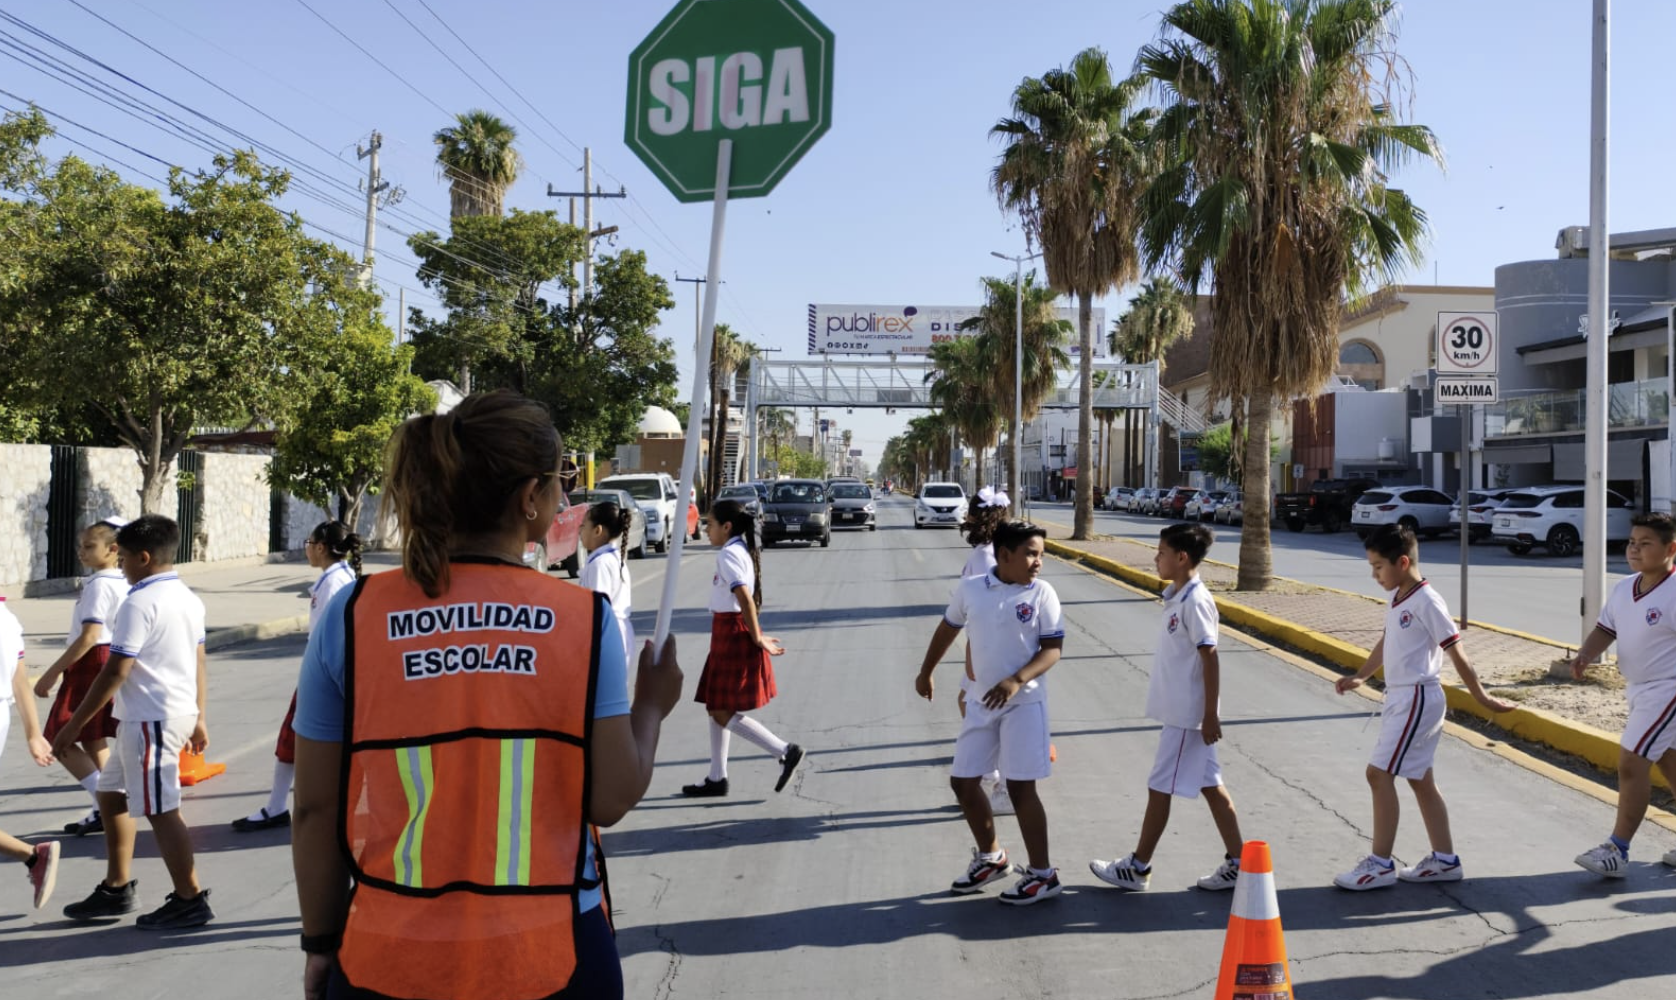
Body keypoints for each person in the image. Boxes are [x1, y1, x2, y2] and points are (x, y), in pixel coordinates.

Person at [290, 390, 683, 1000]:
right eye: (560, 483)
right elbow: (610, 798)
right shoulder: (583, 619)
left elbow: (314, 810)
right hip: (552, 948)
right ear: (530, 499)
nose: (566, 499)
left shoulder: (352, 613)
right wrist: (652, 708)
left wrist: (320, 944)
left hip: (386, 952)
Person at [1332, 524, 1516, 890]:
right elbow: (1389, 640)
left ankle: (1381, 865)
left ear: (1403, 561)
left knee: (1378, 774)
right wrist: (1362, 676)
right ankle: (1445, 860)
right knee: (1420, 779)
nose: (1374, 575)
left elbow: (1455, 650)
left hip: (1417, 698)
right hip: (1403, 697)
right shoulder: (1400, 596)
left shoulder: (1427, 600)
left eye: (1378, 567)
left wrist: (1480, 696)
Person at [55, 514, 214, 928]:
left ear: (144, 558)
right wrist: (199, 715)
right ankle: (117, 886)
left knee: (162, 811)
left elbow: (115, 671)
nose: (119, 564)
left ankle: (189, 898)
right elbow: (197, 661)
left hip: (153, 718)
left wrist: (72, 726)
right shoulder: (187, 597)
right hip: (151, 716)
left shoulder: (139, 601)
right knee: (111, 795)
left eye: (123, 557)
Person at [915, 520, 1065, 905]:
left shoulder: (1043, 594)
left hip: (1025, 705)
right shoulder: (971, 589)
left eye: (1041, 555)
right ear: (1004, 555)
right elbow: (948, 628)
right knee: (963, 782)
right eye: (1031, 554)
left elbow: (1052, 649)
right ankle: (992, 857)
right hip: (982, 703)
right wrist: (926, 671)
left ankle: (1043, 874)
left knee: (1019, 787)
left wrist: (1016, 680)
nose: (1038, 563)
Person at [1090, 523, 1246, 892]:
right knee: (1212, 786)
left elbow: (1210, 657)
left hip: (1188, 717)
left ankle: (1138, 866)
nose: (1155, 558)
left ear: (1181, 557)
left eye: (1161, 552)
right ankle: (1241, 863)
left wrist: (1209, 714)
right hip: (1182, 712)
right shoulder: (1176, 595)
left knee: (1159, 786)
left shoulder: (1196, 601)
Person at [232, 521, 361, 833]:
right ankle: (279, 806)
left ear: (320, 547)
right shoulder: (341, 577)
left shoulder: (333, 583)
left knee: (296, 741)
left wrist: (316, 675)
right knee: (301, 743)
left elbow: (325, 635)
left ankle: (283, 807)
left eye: (309, 541)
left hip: (323, 675)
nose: (306, 548)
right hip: (332, 672)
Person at [1568, 512, 1676, 878]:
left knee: (1632, 762)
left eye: (1646, 544)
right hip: (1639, 690)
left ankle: (1617, 849)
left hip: (1668, 690)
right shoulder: (1624, 588)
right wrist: (1585, 654)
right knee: (1669, 764)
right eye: (1633, 541)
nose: (1635, 549)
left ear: (1670, 548)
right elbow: (1605, 628)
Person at [681, 499, 806, 798]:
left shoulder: (729, 554)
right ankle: (716, 777)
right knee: (716, 707)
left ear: (726, 527)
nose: (705, 529)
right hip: (726, 631)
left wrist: (757, 637)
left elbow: (745, 598)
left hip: (733, 632)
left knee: (722, 712)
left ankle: (784, 750)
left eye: (709, 524)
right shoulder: (735, 551)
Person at [33, 518, 128, 837]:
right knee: (91, 736)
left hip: (92, 659)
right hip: (107, 656)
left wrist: (51, 672)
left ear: (113, 549)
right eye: (81, 546)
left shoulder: (100, 583)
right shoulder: (121, 580)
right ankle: (108, 800)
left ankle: (106, 802)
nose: (82, 553)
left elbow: (89, 636)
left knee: (59, 737)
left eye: (90, 546)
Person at [3, 593, 61, 909]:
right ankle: (32, 856)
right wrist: (33, 734)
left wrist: (34, 734)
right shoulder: (8, 619)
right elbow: (20, 680)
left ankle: (32, 856)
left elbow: (19, 680)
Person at [958, 487, 1011, 814]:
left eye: (970, 512)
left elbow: (981, 609)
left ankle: (1003, 787)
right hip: (997, 644)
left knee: (993, 715)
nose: (966, 516)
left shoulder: (984, 556)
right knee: (979, 708)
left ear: (979, 517)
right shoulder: (995, 551)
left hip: (989, 646)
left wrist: (971, 656)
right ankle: (993, 773)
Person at [578, 501, 635, 665]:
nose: (580, 531)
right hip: (617, 634)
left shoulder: (600, 563)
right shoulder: (612, 558)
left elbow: (597, 611)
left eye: (583, 526)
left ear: (597, 530)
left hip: (607, 637)